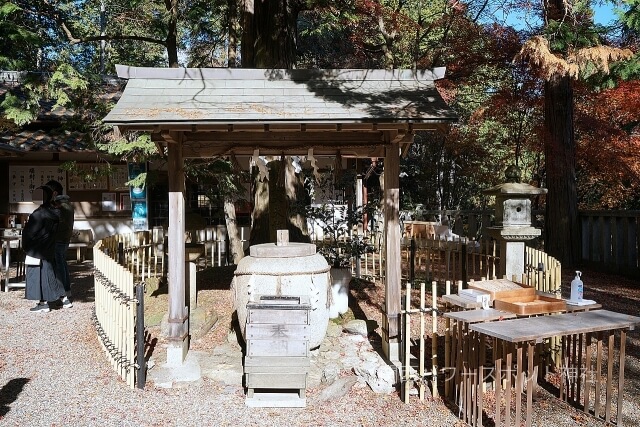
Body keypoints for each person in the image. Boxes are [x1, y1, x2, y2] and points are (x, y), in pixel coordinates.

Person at [22, 185, 71, 312]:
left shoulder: (38, 214)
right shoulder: (55, 212)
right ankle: (61, 299)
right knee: (50, 274)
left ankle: (42, 302)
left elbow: (30, 232)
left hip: (37, 249)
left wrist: (26, 245)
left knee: (37, 276)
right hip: (49, 247)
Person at [45, 179, 75, 297]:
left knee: (59, 266)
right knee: (62, 264)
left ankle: (63, 293)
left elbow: (56, 223)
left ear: (54, 193)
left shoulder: (60, 206)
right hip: (64, 239)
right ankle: (66, 291)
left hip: (59, 239)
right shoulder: (67, 205)